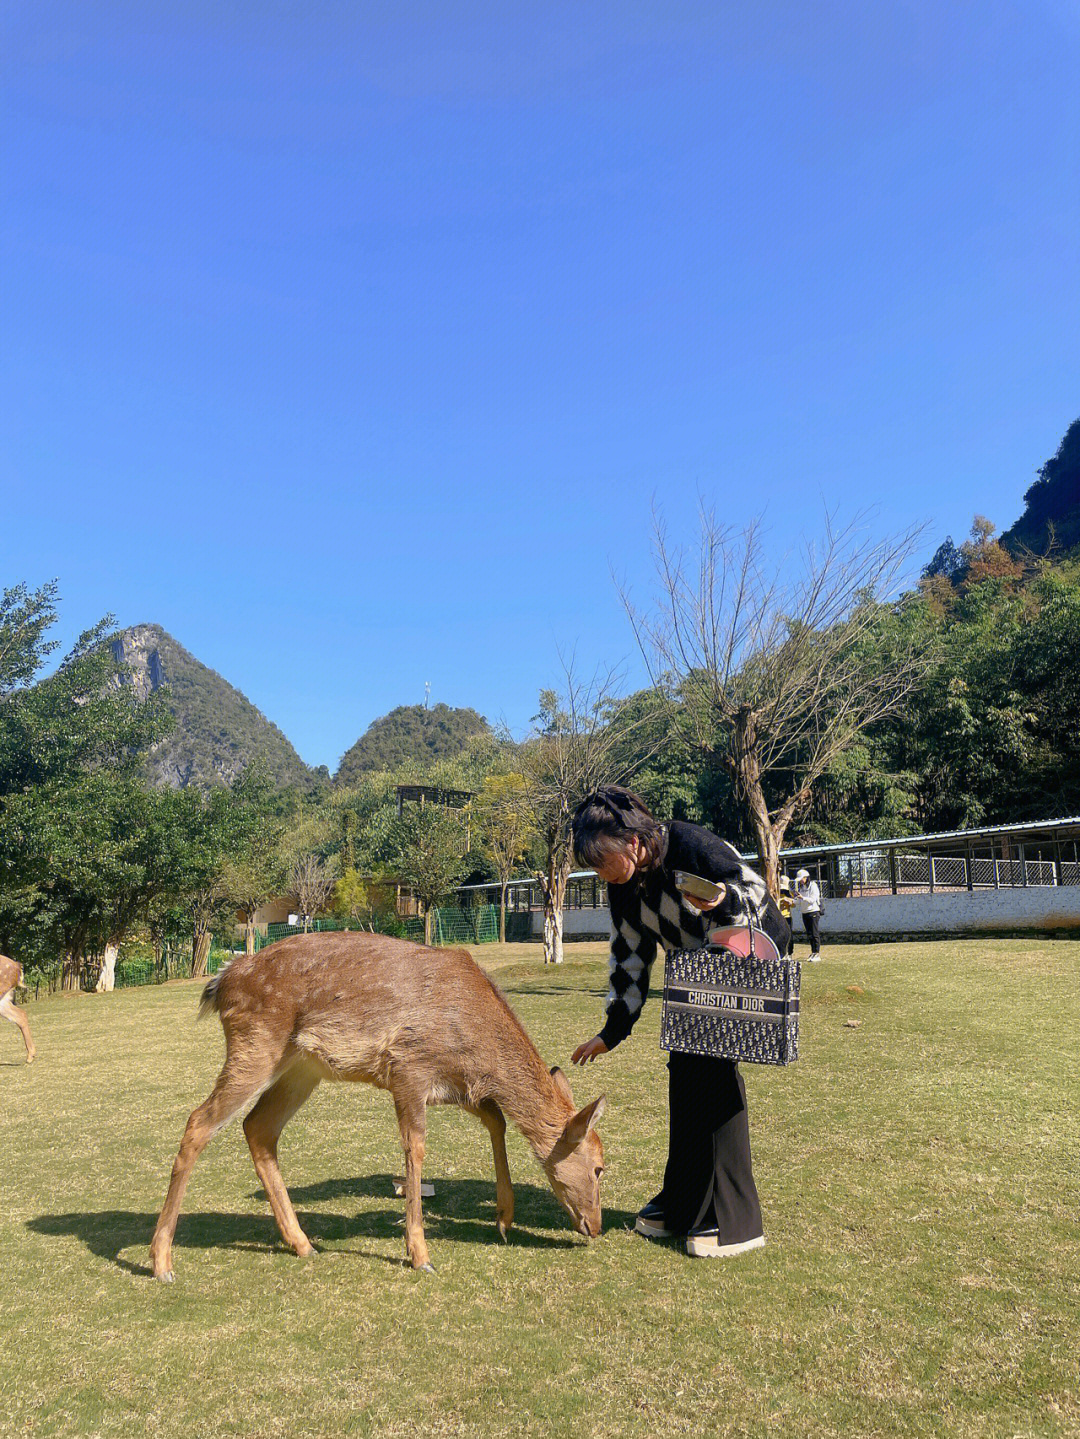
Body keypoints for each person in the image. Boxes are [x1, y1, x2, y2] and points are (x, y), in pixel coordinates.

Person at [569, 786, 789, 1259]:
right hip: (692, 979)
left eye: (603, 860)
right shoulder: (622, 889)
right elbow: (629, 955)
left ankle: (734, 1220)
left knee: (711, 1077)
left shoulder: (688, 844)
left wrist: (724, 902)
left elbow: (755, 892)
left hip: (744, 962)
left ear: (630, 841)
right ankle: (685, 1202)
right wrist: (612, 1029)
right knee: (683, 1078)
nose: (601, 872)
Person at [794, 868, 823, 961]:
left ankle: (817, 954)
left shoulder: (813, 886)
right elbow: (799, 902)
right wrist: (792, 901)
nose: (801, 881)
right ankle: (813, 952)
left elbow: (812, 900)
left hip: (813, 912)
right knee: (809, 934)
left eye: (802, 879)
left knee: (814, 933)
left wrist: (802, 897)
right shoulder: (801, 888)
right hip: (805, 913)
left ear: (806, 877)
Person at [778, 876, 796, 957]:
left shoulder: (789, 894)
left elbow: (793, 905)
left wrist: (789, 902)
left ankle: (790, 953)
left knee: (789, 935)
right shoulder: (776, 893)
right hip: (779, 917)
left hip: (787, 917)